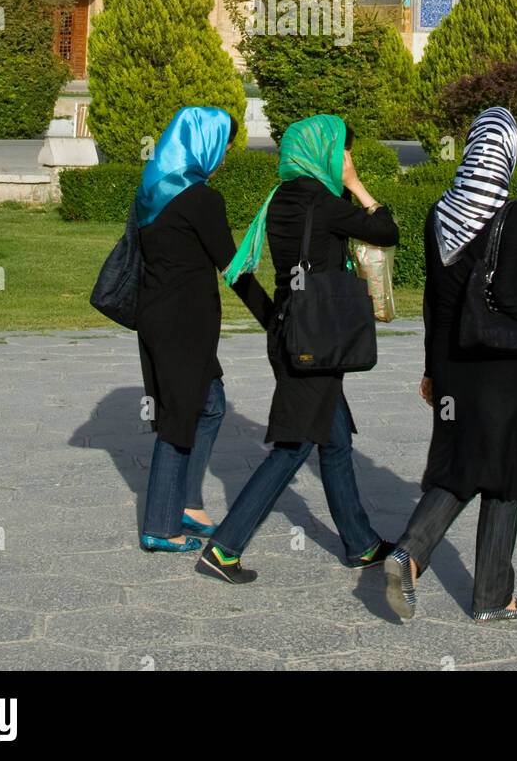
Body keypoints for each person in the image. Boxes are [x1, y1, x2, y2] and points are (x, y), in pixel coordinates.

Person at [384, 106, 517, 622]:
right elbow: (514, 297)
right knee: (505, 475)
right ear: (508, 153)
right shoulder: (512, 215)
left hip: (452, 364)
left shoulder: (438, 212)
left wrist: (430, 370)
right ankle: (493, 596)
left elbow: (433, 301)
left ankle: (409, 553)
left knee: (460, 466)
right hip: (503, 368)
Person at [198, 114, 399, 584]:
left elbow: (243, 270)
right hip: (317, 339)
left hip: (293, 331)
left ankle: (360, 543)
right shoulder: (324, 203)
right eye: (342, 150)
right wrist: (358, 184)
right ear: (324, 151)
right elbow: (386, 230)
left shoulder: (280, 197)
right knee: (293, 447)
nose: (346, 158)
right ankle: (224, 548)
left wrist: (274, 319)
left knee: (334, 441)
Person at [135, 106, 272, 553]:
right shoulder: (201, 199)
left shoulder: (152, 191)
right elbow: (234, 269)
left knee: (209, 403)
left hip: (156, 316)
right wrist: (274, 320)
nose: (229, 152)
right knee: (182, 414)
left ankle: (188, 503)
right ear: (206, 144)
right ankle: (159, 524)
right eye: (226, 143)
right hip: (185, 323)